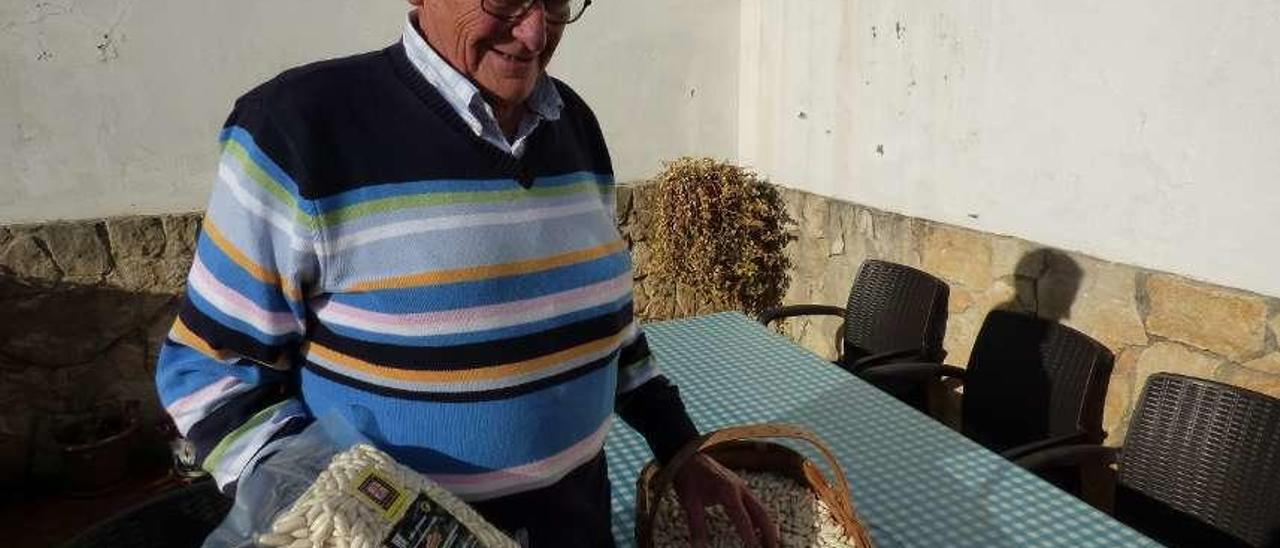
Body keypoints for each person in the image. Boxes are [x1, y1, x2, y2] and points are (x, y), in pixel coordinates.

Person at [154, 1, 779, 546]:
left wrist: (679, 444)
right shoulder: (297, 129)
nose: (535, 33)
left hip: (578, 527)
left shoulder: (576, 125)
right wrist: (334, 514)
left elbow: (605, 323)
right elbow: (207, 372)